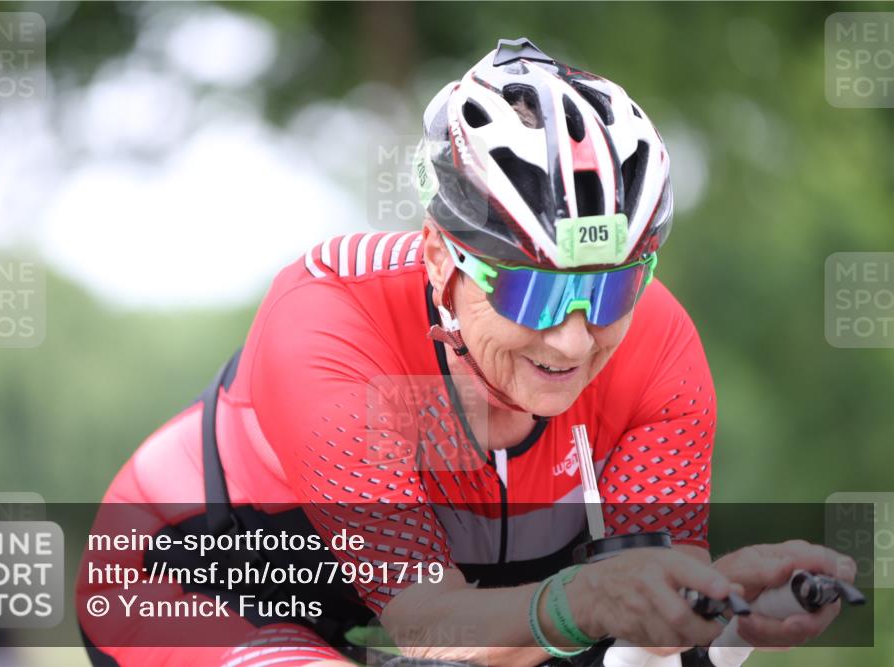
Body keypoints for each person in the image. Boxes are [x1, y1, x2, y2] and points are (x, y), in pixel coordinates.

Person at [78, 38, 854, 667]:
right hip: (203, 577)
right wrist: (585, 600)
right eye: (534, 293)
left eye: (611, 289)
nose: (574, 338)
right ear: (440, 259)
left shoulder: (655, 342)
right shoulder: (328, 320)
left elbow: (641, 638)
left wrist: (731, 615)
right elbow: (430, 625)